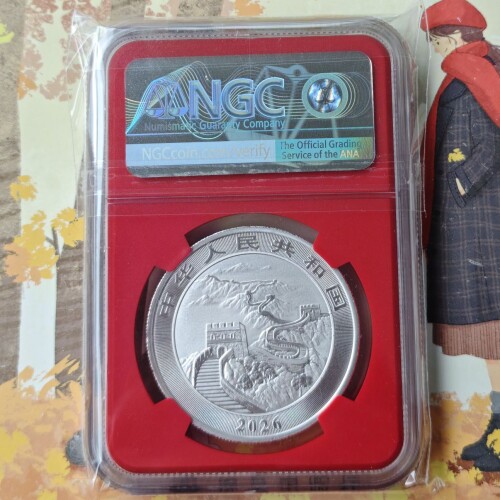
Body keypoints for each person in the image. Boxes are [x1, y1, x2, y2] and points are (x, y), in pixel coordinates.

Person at [421, 0, 500, 472]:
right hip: (475, 223)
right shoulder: (475, 72)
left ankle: (499, 435)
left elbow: (492, 143)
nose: (434, 50)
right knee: (492, 337)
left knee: (493, 333)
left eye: (436, 41)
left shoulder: (476, 76)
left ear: (453, 37)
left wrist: (459, 183)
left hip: (479, 225)